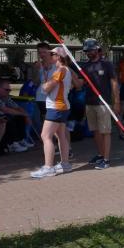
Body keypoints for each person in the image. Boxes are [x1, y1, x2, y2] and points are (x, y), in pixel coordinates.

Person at [30, 47, 74, 178]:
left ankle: (48, 167)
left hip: (56, 107)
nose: (50, 56)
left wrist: (44, 81)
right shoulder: (65, 70)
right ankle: (65, 164)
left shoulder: (60, 70)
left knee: (45, 136)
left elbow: (46, 88)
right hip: (61, 106)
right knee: (61, 135)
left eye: (52, 54)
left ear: (58, 57)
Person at [80, 38, 119, 170]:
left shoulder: (106, 64)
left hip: (103, 103)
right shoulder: (85, 66)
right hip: (90, 102)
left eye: (90, 50)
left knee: (105, 131)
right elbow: (80, 84)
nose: (88, 53)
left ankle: (106, 160)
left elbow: (114, 82)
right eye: (86, 51)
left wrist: (116, 101)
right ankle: (101, 155)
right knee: (95, 130)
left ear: (97, 49)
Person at [0, 80, 32, 155]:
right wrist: (25, 115)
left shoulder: (5, 96)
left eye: (9, 90)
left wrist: (25, 115)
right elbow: (6, 110)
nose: (9, 91)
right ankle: (12, 143)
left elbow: (17, 107)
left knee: (19, 117)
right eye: (7, 90)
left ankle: (20, 140)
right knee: (9, 119)